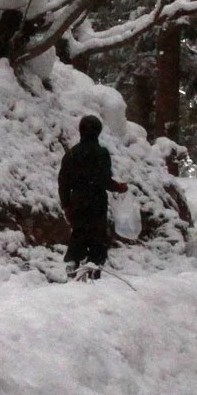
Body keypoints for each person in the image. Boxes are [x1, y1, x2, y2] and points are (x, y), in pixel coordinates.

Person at [56, 115, 126, 278]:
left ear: (80, 131)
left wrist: (66, 204)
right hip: (97, 201)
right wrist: (119, 187)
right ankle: (94, 271)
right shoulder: (101, 154)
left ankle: (72, 264)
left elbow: (63, 183)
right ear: (98, 132)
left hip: (77, 201)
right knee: (97, 236)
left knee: (78, 232)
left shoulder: (71, 154)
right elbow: (104, 180)